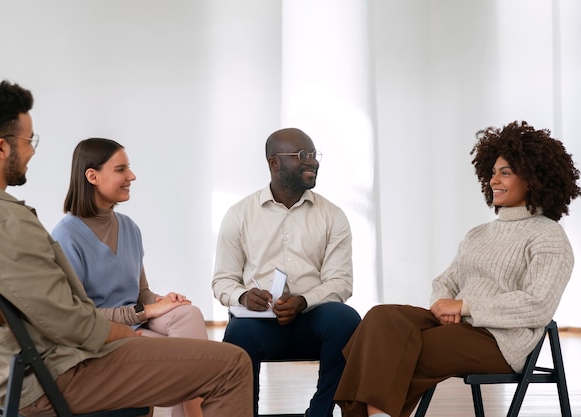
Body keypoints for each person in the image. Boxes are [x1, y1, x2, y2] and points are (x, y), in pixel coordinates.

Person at [0, 80, 253, 417]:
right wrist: (133, 337)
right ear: (1, 148)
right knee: (232, 364)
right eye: (28, 141)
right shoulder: (9, 222)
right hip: (58, 375)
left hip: (15, 373)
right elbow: (71, 322)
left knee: (188, 326)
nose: (32, 151)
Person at [333, 120, 581, 417]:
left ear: (532, 180)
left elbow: (538, 305)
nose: (494, 181)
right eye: (492, 173)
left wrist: (465, 306)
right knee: (380, 318)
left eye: (506, 173)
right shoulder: (478, 234)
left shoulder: (548, 236)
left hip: (500, 341)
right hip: (457, 327)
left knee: (396, 350)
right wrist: (444, 306)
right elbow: (446, 281)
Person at [52, 138, 208, 417]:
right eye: (121, 169)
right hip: (99, 335)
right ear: (92, 176)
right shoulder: (66, 236)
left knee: (189, 314)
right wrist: (144, 311)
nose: (131, 177)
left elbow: (141, 293)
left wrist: (163, 301)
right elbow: (78, 317)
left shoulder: (130, 228)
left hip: (135, 323)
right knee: (182, 358)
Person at [212, 127, 362, 417]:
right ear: (274, 163)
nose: (312, 162)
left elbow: (340, 282)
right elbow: (222, 281)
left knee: (346, 320)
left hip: (312, 318)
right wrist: (243, 296)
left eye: (314, 155)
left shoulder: (333, 216)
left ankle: (320, 413)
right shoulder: (239, 215)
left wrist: (303, 301)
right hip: (258, 323)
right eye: (302, 155)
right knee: (238, 333)